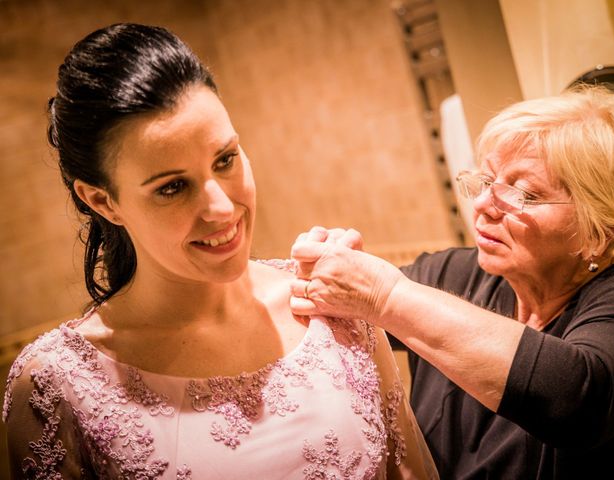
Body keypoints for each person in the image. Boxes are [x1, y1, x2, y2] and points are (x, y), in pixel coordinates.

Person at [2, 23, 438, 479]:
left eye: (225, 160)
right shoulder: (57, 385)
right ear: (103, 201)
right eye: (172, 187)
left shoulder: (332, 302)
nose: (221, 207)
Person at [290, 85, 614, 479]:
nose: (484, 206)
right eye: (487, 181)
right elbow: (335, 312)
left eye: (524, 194)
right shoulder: (452, 274)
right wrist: (320, 268)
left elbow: (576, 398)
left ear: (601, 230)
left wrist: (386, 296)